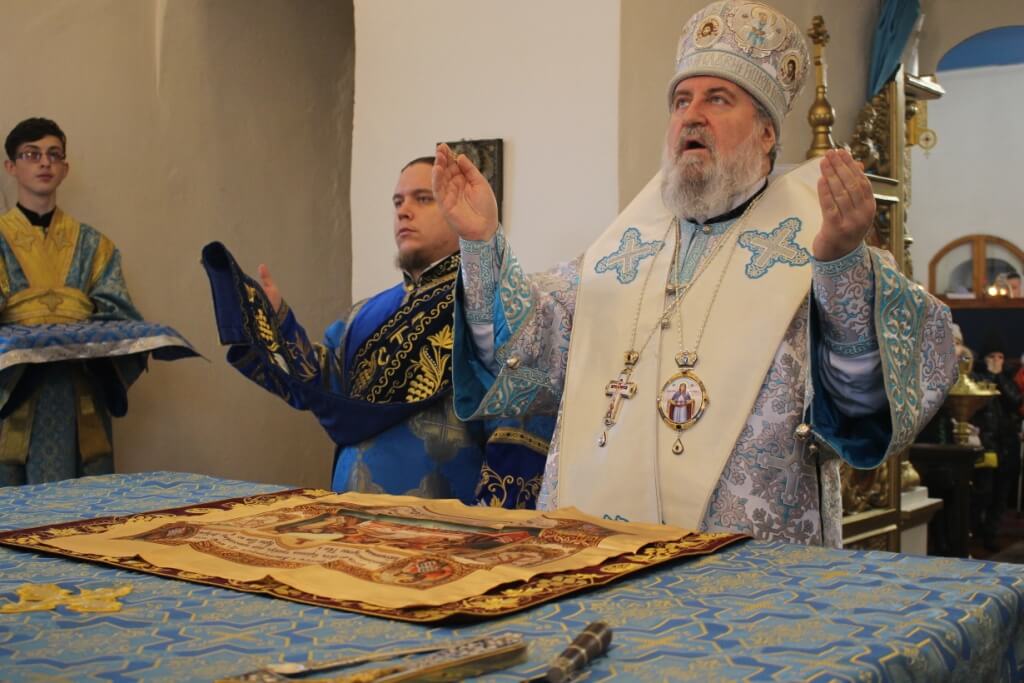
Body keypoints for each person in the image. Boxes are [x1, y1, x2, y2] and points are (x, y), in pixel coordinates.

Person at [434, 0, 956, 546]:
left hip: (750, 572)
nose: (692, 115)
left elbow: (862, 408)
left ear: (767, 133)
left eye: (717, 98)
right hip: (597, 556)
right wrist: (482, 244)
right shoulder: (622, 249)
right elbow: (526, 355)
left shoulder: (815, 240)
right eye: (681, 101)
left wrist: (842, 264)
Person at [205, 157, 552, 508]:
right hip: (350, 518)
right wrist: (274, 321)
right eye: (398, 201)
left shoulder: (491, 305)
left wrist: (498, 522)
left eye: (423, 198)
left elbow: (518, 414)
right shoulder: (363, 314)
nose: (404, 211)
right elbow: (323, 388)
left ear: (459, 207)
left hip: (447, 527)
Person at [0, 117, 195, 486]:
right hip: (14, 390)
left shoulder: (94, 244)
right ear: (11, 166)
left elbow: (117, 312)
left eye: (54, 154)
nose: (45, 163)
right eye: (32, 154)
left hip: (81, 386)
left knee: (86, 497)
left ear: (65, 168)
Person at [971, 332, 1023, 550]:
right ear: (984, 359)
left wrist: (999, 377)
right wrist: (991, 377)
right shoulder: (976, 379)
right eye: (992, 356)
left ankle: (991, 533)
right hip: (987, 443)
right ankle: (975, 530)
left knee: (1001, 495)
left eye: (1000, 357)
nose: (996, 361)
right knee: (984, 492)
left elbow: (1015, 401)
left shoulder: (1007, 378)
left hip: (1007, 445)